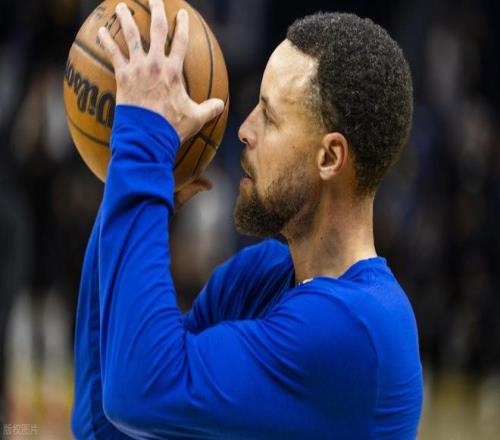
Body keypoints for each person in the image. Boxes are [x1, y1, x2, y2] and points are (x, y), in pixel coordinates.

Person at [71, 0, 423, 438]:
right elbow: (107, 423)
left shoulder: (357, 328)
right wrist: (133, 191)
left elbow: (141, 391)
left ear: (330, 157)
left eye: (269, 118)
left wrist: (144, 146)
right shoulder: (256, 277)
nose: (244, 129)